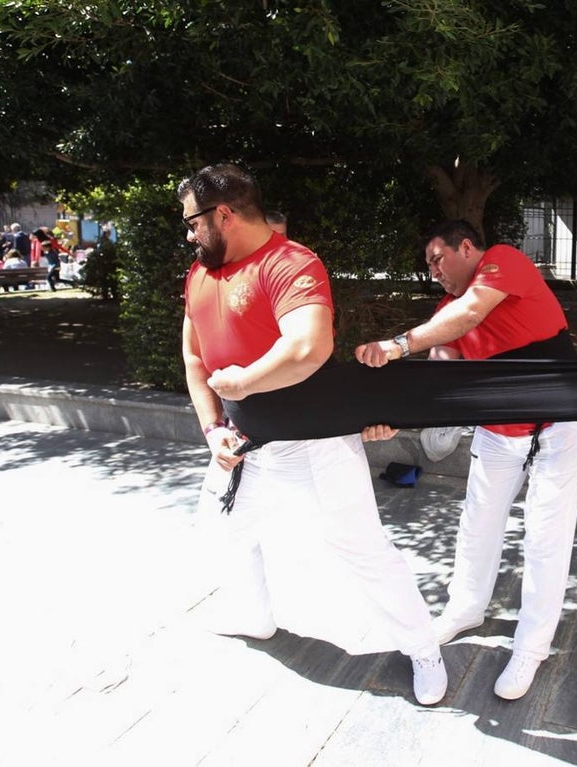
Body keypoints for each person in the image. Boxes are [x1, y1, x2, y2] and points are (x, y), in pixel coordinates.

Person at [177, 164, 446, 706]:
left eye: (192, 221)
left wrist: (241, 383)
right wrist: (212, 428)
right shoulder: (200, 274)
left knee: (364, 550)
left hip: (312, 445)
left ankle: (424, 649)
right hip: (240, 447)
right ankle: (254, 618)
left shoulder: (291, 263)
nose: (189, 233)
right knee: (223, 535)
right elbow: (192, 355)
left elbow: (307, 349)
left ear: (222, 214)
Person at [355, 219, 577, 701]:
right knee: (477, 524)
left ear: (466, 247)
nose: (433, 271)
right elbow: (438, 380)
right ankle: (466, 608)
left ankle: (532, 645)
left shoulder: (504, 260)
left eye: (437, 259)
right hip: (498, 429)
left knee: (546, 535)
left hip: (560, 423)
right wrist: (395, 419)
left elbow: (469, 314)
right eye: (428, 266)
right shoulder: (445, 312)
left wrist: (397, 344)